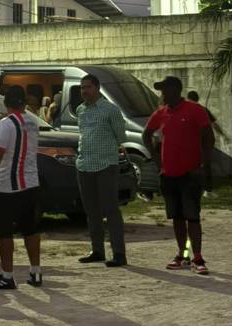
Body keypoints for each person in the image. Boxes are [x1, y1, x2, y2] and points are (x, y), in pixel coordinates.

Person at [143, 75, 214, 275]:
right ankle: (182, 254)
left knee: (192, 217)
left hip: (190, 174)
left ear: (176, 90)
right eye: (161, 90)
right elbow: (146, 134)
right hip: (169, 174)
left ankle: (197, 257)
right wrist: (156, 160)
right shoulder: (161, 113)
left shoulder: (195, 110)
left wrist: (203, 164)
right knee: (177, 217)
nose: (162, 94)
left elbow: (209, 137)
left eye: (165, 90)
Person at [0, 85, 42, 289]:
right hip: (31, 182)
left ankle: (7, 275)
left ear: (5, 103)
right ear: (24, 101)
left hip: (7, 184)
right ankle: (35, 271)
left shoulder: (4, 125)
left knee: (4, 232)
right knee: (30, 229)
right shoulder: (33, 121)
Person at [75, 73, 127, 267]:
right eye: (82, 87)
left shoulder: (110, 110)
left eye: (87, 87)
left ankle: (119, 253)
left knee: (111, 209)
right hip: (84, 165)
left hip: (106, 165)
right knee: (91, 211)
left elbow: (120, 135)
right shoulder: (81, 110)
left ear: (97, 88)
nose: (84, 91)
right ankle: (97, 250)